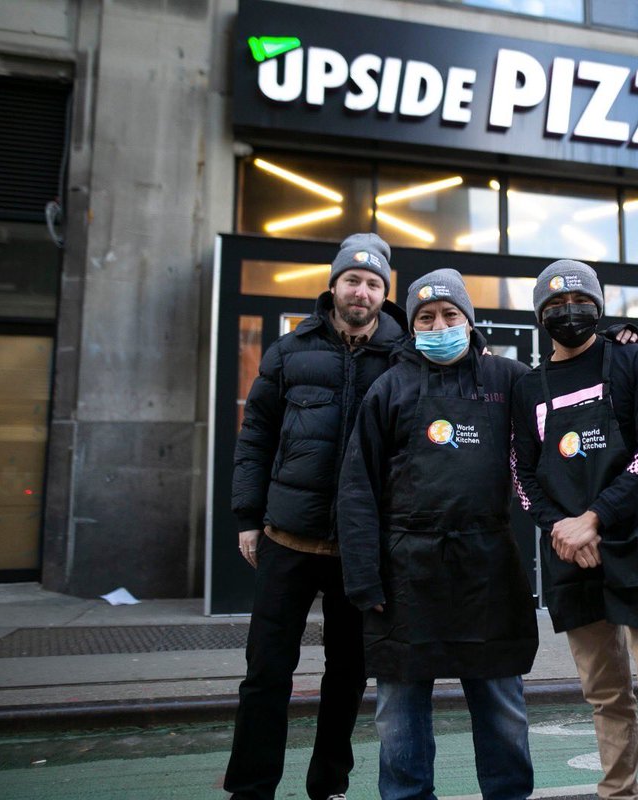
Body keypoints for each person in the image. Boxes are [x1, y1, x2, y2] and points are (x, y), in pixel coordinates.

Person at [338, 268, 539, 800]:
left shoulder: (509, 379)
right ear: (412, 326)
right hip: (405, 569)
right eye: (426, 317)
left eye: (451, 315)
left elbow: (573, 396)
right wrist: (362, 577)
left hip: (487, 566)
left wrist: (618, 345)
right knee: (399, 714)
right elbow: (357, 487)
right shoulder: (389, 387)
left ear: (469, 322)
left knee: (501, 706)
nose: (439, 324)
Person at [511, 260, 638, 800]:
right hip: (571, 554)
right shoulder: (529, 387)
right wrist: (565, 530)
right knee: (605, 694)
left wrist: (594, 519)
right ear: (539, 317)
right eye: (553, 307)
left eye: (578, 302)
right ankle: (618, 793)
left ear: (598, 305)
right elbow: (523, 479)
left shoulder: (636, 361)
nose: (568, 313)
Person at [225, 233, 405, 800]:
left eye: (374, 283)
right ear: (333, 286)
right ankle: (252, 787)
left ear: (384, 293)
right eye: (353, 279)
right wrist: (248, 516)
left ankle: (328, 784)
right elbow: (255, 438)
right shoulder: (288, 351)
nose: (362, 290)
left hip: (360, 547)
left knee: (348, 676)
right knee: (265, 674)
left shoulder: (404, 356)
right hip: (288, 539)